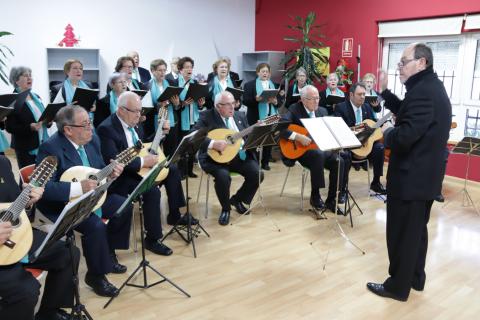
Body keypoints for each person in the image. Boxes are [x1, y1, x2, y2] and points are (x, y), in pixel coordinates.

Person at [366, 43, 451, 301]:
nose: (399, 67)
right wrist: (384, 92)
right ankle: (415, 278)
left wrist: (385, 133)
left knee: (401, 233)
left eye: (404, 62)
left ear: (422, 62)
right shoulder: (428, 88)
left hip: (411, 176)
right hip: (423, 177)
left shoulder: (423, 93)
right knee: (416, 232)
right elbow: (408, 111)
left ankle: (397, 287)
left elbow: (405, 136)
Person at [36, 105, 130, 298]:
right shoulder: (50, 148)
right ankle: (96, 276)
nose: (91, 128)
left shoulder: (92, 140)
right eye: (85, 124)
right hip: (65, 204)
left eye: (90, 122)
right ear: (68, 129)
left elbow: (99, 171)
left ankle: (108, 253)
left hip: (93, 197)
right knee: (95, 226)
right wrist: (80, 187)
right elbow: (45, 189)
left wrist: (110, 173)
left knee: (123, 205)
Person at [96, 92, 194, 236]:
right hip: (122, 176)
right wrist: (143, 161)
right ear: (121, 110)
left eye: (140, 110)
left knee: (172, 169)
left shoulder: (134, 122)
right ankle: (153, 238)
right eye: (135, 111)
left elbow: (143, 144)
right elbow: (114, 160)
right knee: (152, 191)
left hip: (140, 169)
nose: (139, 115)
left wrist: (160, 134)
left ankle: (174, 215)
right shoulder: (106, 129)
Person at [0, 155, 81, 320]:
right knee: (26, 290)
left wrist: (28, 202)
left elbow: (14, 206)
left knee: (68, 253)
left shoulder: (3, 162)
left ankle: (49, 313)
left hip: (14, 236)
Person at [193, 91, 263, 225]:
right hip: (215, 158)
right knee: (223, 177)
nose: (233, 107)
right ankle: (226, 209)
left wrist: (256, 132)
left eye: (234, 103)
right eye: (228, 105)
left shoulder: (240, 115)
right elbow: (194, 136)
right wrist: (213, 144)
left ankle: (237, 199)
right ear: (218, 106)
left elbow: (247, 136)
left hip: (237, 156)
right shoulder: (207, 116)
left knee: (258, 174)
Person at [281, 85, 346, 214]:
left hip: (319, 149)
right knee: (318, 154)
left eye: (318, 98)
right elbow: (281, 128)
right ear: (303, 99)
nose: (317, 101)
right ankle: (315, 196)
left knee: (339, 161)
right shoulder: (295, 109)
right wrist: (298, 137)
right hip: (301, 152)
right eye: (313, 99)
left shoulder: (322, 111)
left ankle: (332, 199)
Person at [334, 83, 387, 195]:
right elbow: (339, 129)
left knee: (380, 148)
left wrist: (380, 127)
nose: (363, 97)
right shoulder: (341, 107)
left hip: (366, 143)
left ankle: (376, 183)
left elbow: (373, 124)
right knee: (345, 155)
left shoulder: (367, 107)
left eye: (364, 94)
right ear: (351, 95)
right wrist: (357, 131)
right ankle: (343, 188)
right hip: (349, 144)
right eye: (359, 94)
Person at [5, 67, 52, 168]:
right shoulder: (13, 99)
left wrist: (48, 121)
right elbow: (10, 127)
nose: (29, 78)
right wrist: (30, 127)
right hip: (25, 146)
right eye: (26, 76)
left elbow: (42, 117)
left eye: (30, 75)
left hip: (42, 142)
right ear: (17, 80)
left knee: (41, 176)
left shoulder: (36, 97)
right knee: (27, 178)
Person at [168, 56, 206, 178]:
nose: (190, 69)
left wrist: (200, 105)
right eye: (187, 67)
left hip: (193, 119)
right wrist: (182, 104)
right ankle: (181, 172)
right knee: (182, 147)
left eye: (191, 67)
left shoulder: (194, 83)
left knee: (192, 145)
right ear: (180, 69)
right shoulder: (174, 83)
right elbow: (174, 107)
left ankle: (189, 170)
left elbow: (197, 104)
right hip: (180, 120)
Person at [243, 63, 283, 170]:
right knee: (255, 140)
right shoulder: (249, 85)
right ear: (258, 72)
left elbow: (280, 101)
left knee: (268, 140)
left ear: (269, 73)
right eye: (263, 71)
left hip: (271, 116)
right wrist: (255, 100)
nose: (265, 73)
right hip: (255, 117)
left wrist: (275, 101)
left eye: (267, 71)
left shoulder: (273, 84)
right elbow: (245, 101)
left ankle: (265, 162)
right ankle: (254, 162)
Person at [145, 59, 181, 157]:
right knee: (154, 151)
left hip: (171, 121)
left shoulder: (171, 83)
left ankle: (170, 170)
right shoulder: (146, 86)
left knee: (171, 150)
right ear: (152, 71)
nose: (163, 73)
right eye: (160, 70)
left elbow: (177, 106)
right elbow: (146, 110)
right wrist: (158, 106)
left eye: (164, 70)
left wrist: (177, 103)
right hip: (155, 122)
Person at [50, 59, 96, 123]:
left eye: (81, 68)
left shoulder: (89, 85)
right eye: (75, 68)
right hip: (68, 125)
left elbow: (94, 105)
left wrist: (94, 108)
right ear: (67, 71)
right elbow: (53, 114)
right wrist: (68, 109)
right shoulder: (57, 89)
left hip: (88, 123)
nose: (79, 71)